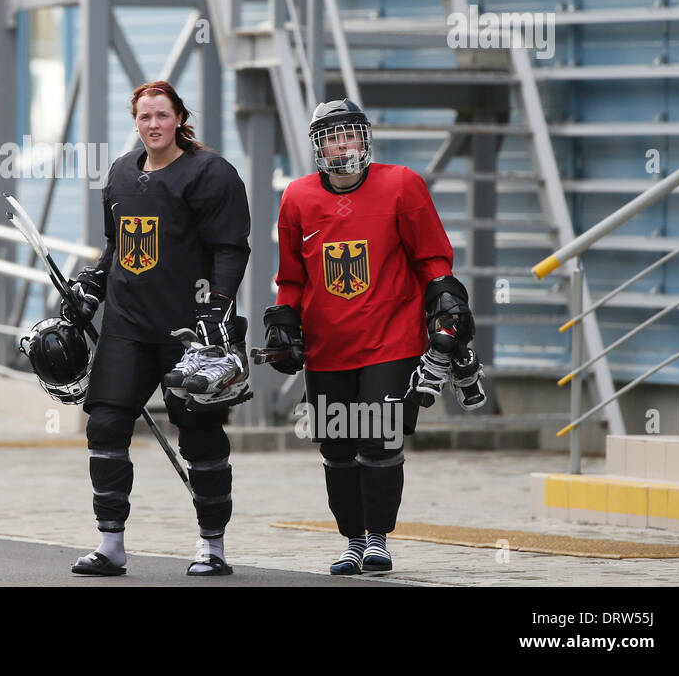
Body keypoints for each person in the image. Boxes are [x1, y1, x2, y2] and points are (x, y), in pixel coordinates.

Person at [254, 98, 484, 575]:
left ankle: (378, 538)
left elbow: (432, 259)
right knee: (336, 445)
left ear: (364, 138)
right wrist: (283, 321)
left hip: (390, 339)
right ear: (319, 148)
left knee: (378, 439)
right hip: (328, 344)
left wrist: (445, 299)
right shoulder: (297, 198)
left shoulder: (402, 184)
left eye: (350, 134)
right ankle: (352, 540)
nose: (342, 144)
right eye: (332, 137)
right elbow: (291, 277)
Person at [61, 80, 252, 577]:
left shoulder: (210, 174)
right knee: (103, 424)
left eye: (162, 116)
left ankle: (213, 545)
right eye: (144, 117)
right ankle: (111, 544)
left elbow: (232, 248)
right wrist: (91, 288)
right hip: (127, 325)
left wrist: (219, 311)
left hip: (189, 330)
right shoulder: (122, 173)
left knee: (199, 433)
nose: (153, 125)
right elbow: (117, 249)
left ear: (179, 118)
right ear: (136, 121)